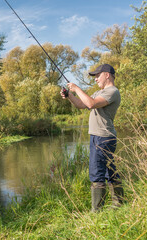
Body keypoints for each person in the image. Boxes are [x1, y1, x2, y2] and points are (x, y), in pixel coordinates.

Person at [60, 63, 124, 211]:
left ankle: (97, 211)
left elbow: (91, 104)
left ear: (107, 75)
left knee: (97, 172)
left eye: (97, 76)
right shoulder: (100, 92)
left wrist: (76, 88)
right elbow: (82, 105)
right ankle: (118, 203)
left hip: (102, 137)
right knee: (109, 170)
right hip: (100, 136)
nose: (95, 79)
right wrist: (70, 95)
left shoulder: (112, 91)